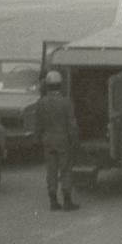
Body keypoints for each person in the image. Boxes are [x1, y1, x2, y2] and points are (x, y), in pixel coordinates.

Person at [34, 70, 79, 211]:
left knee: (51, 170)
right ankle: (67, 201)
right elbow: (72, 124)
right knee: (65, 170)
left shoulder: (41, 103)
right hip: (63, 140)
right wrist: (74, 140)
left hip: (47, 140)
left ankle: (53, 201)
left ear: (47, 85)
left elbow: (38, 125)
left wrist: (37, 139)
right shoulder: (66, 102)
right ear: (60, 85)